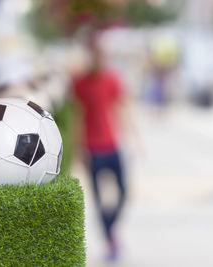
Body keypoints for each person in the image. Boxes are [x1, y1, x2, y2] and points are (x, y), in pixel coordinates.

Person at [71, 37, 127, 261]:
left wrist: (133, 138)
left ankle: (110, 228)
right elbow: (77, 117)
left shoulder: (112, 79)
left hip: (112, 145)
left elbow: (121, 108)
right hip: (92, 149)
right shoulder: (80, 83)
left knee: (123, 192)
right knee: (98, 198)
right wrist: (77, 150)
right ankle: (110, 240)